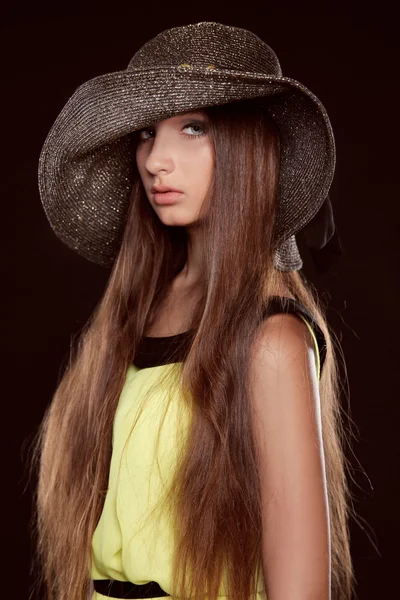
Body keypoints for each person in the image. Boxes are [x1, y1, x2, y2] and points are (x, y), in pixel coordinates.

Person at [29, 22, 356, 600]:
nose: (157, 159)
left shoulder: (274, 339)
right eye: (147, 134)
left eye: (193, 128)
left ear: (249, 145)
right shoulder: (126, 319)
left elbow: (301, 589)